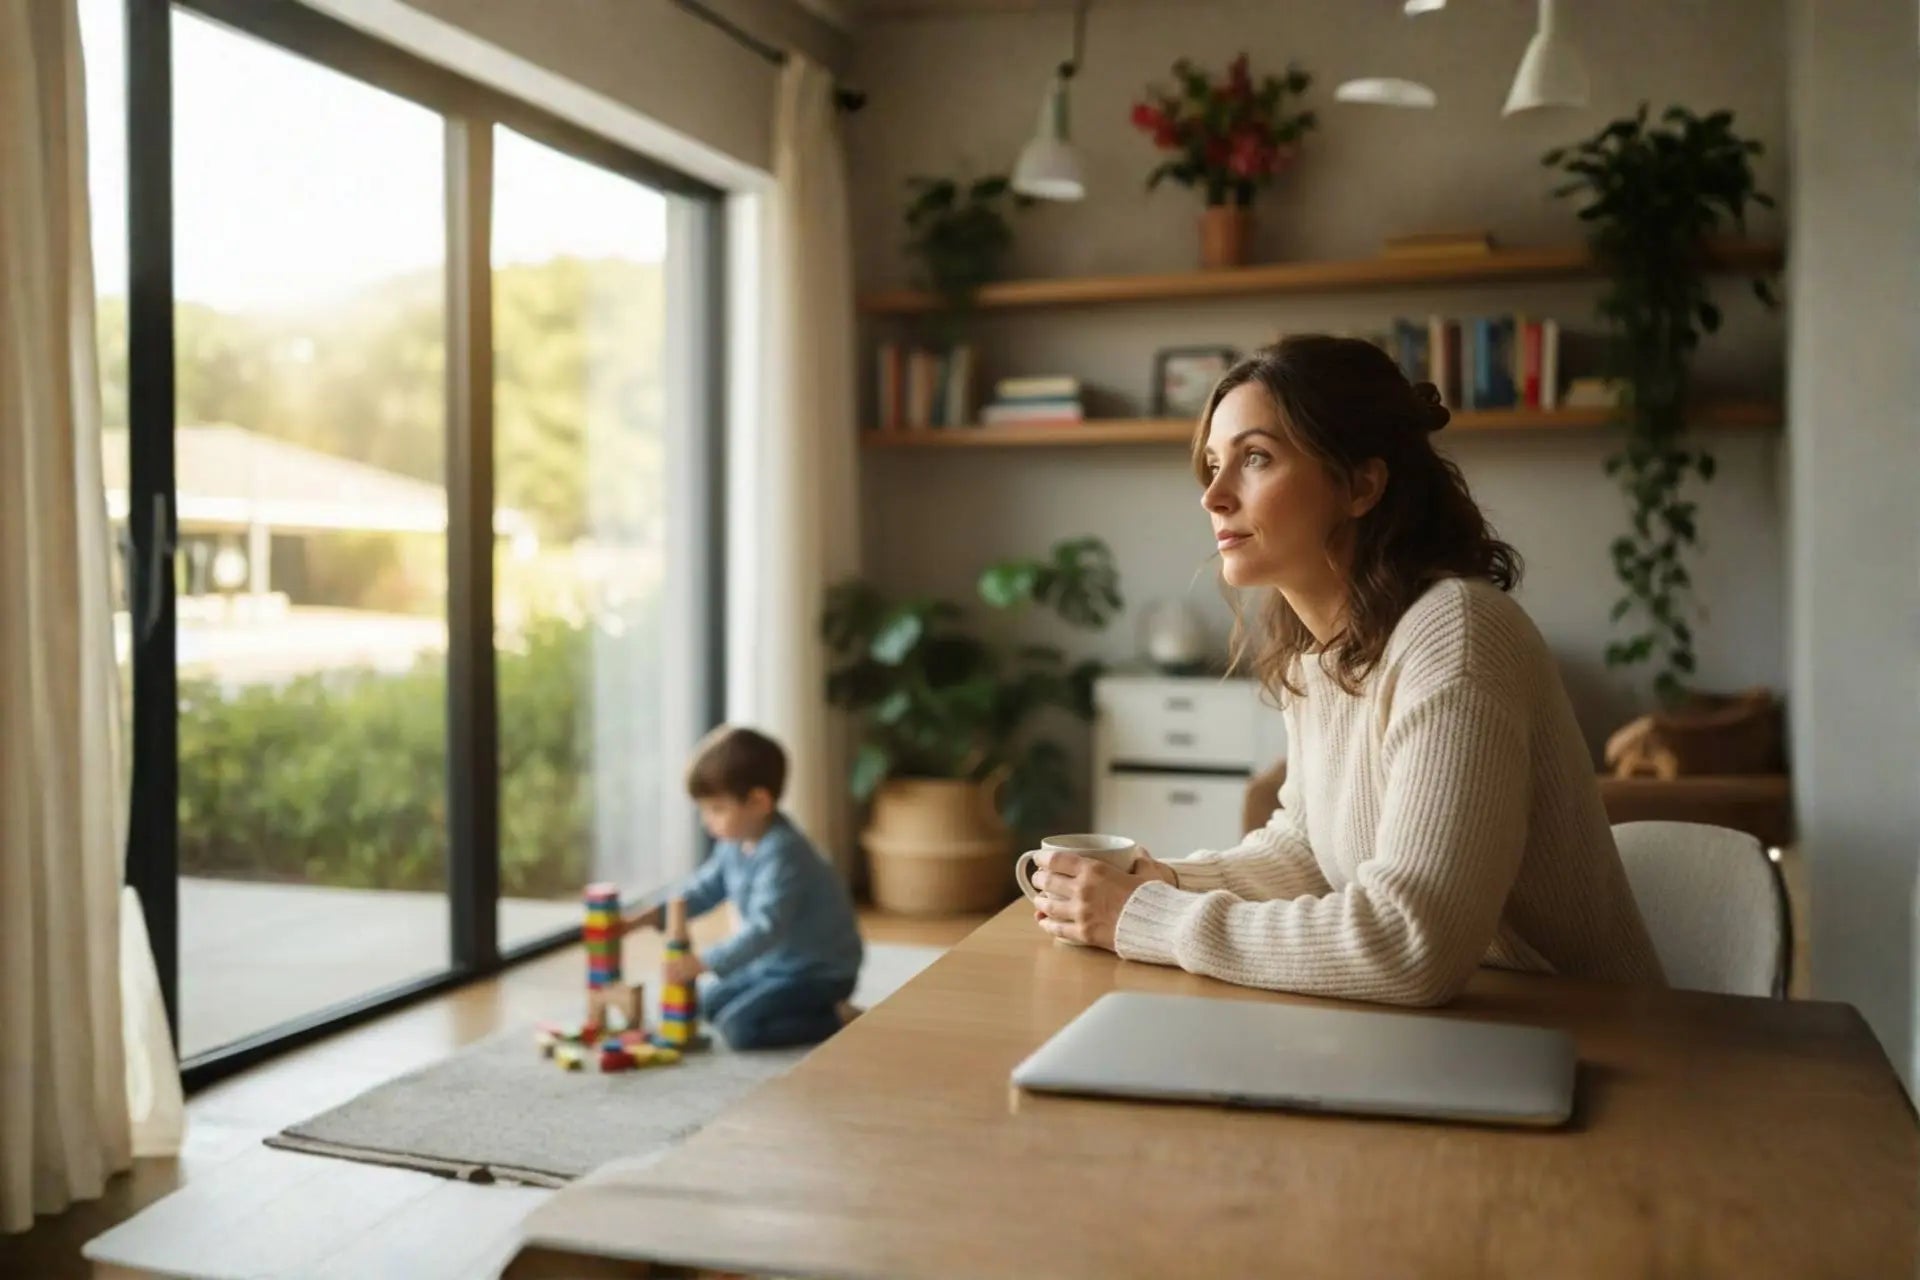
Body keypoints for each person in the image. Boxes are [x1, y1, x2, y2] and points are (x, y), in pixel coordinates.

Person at [1029, 335, 1665, 1006]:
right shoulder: (1322, 652)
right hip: (1454, 1032)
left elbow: (1409, 943)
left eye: (1255, 458)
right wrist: (1165, 881)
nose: (1213, 496)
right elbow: (1308, 852)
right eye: (1213, 465)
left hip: (1593, 1040)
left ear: (1361, 484)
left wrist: (1146, 918)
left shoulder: (1458, 633)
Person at [627, 726, 864, 1048]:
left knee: (739, 1029)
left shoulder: (785, 853)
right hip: (771, 965)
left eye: (717, 809)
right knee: (708, 1005)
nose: (706, 821)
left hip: (817, 972)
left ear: (758, 801)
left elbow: (765, 928)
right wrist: (645, 917)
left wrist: (703, 962)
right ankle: (803, 1009)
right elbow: (703, 890)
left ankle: (837, 1017)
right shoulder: (735, 843)